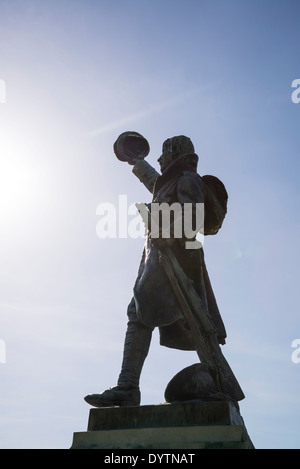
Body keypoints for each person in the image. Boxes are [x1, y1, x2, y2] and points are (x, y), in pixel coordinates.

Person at [84, 135, 228, 407]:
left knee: (181, 320)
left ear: (174, 153)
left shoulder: (188, 179)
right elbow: (155, 184)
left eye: (164, 154)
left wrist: (167, 234)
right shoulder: (173, 181)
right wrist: (137, 162)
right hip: (161, 261)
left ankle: (215, 381)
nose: (160, 160)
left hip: (175, 263)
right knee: (165, 318)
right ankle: (129, 387)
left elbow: (192, 221)